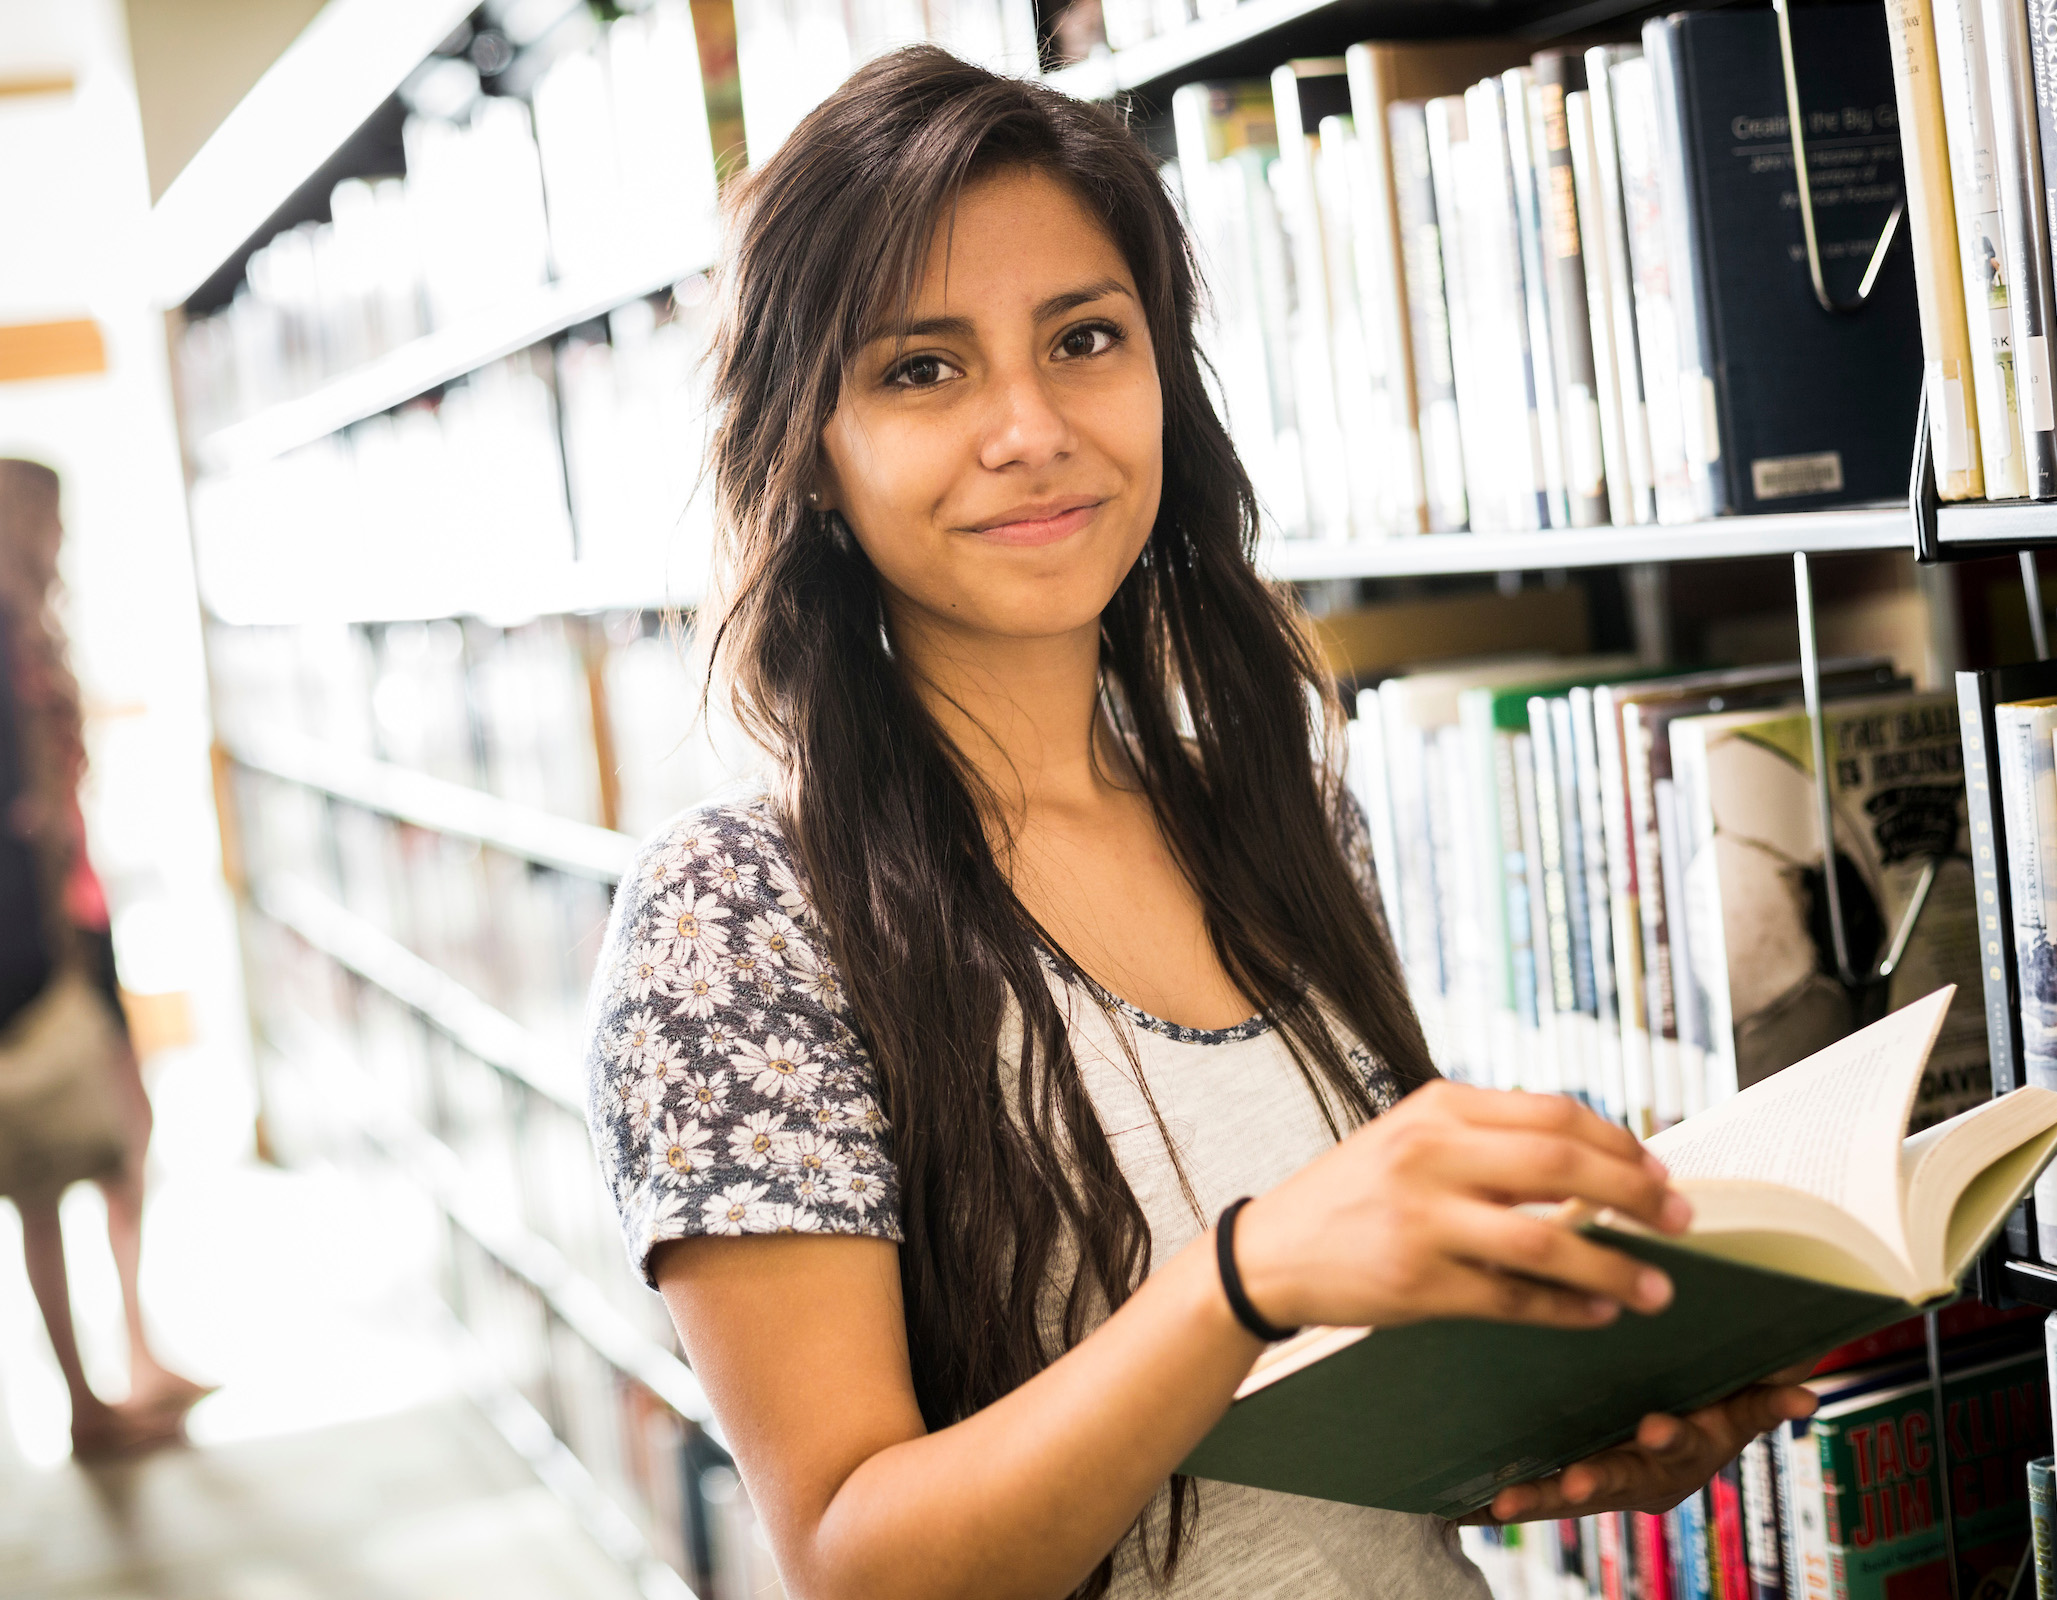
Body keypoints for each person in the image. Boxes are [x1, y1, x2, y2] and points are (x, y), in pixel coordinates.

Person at [585, 50, 1814, 1600]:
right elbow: (856, 1562)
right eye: (923, 369)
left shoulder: (1269, 803)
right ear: (811, 457)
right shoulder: (741, 916)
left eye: (1085, 340)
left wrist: (1566, 1417)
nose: (1030, 428)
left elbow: (1318, 1452)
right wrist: (1239, 1279)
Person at [0, 457, 208, 1460]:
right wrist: (5, 797)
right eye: (48, 516)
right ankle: (82, 1395)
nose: (60, 536)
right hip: (10, 920)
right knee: (46, 1149)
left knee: (120, 1125)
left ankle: (137, 1351)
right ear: (15, 518)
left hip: (71, 907)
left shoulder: (20, 618)